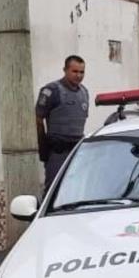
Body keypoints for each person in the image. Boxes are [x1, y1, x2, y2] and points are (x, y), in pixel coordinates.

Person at [36, 55, 89, 193]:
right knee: (54, 192)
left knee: (76, 191)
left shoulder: (84, 93)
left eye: (81, 72)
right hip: (57, 152)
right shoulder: (51, 91)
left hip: (77, 152)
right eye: (75, 71)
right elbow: (38, 119)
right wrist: (43, 149)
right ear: (65, 70)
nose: (78, 75)